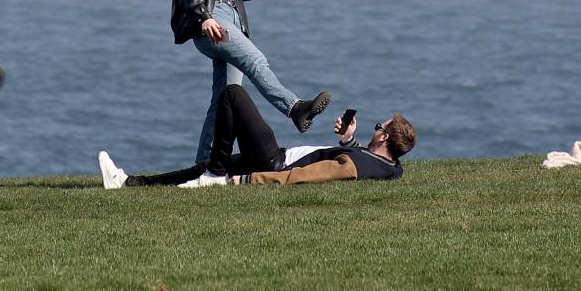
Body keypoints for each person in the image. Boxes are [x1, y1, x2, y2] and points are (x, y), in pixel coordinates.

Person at [170, 0, 331, 162]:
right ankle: (295, 108)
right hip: (214, 21)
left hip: (231, 19)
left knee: (223, 100)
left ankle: (205, 164)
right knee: (256, 60)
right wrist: (204, 17)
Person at [97, 86, 416, 188]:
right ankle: (129, 184)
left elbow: (305, 176)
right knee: (204, 166)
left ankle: (215, 174)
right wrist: (348, 140)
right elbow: (363, 159)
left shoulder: (357, 165)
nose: (376, 127)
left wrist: (252, 180)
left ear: (384, 136)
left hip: (274, 162)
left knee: (233, 95)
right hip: (274, 157)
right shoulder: (391, 167)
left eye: (379, 125)